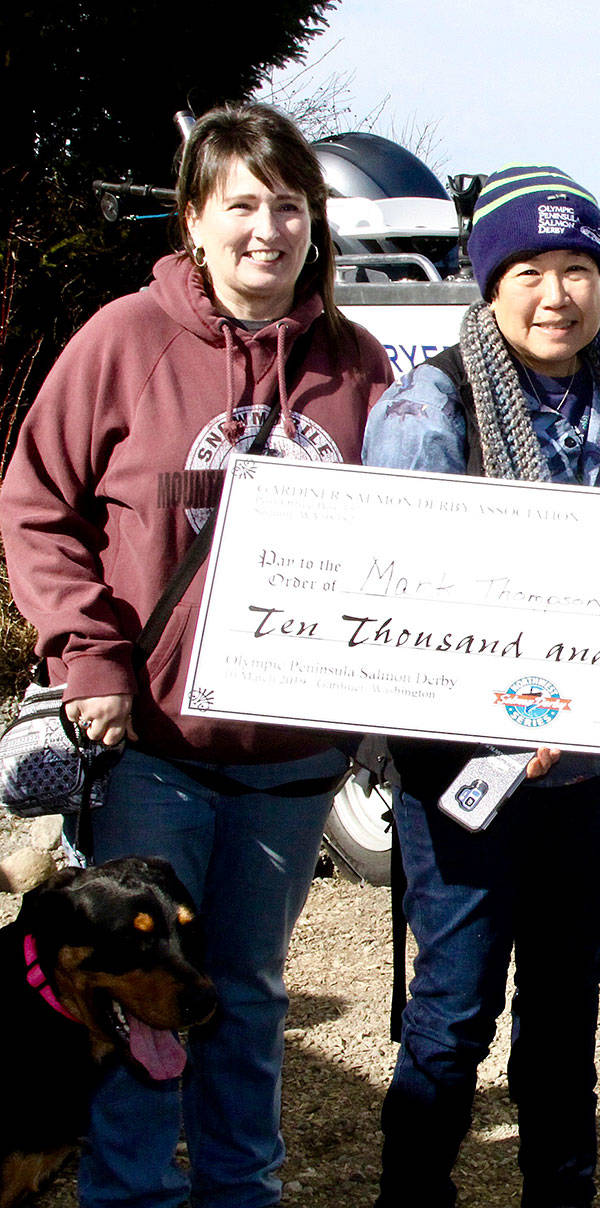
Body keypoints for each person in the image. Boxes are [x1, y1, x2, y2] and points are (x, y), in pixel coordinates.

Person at [0, 103, 393, 1208]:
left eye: (288, 205)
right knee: (127, 995)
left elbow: (409, 535)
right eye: (241, 206)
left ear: (315, 220)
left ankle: (240, 1189)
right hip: (151, 749)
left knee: (249, 991)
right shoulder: (124, 339)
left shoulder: (358, 366)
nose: (267, 228)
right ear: (193, 219)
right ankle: (129, 1192)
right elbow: (35, 504)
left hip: (291, 758)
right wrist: (89, 652)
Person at [361, 163, 600, 1208]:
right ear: (487, 280)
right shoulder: (429, 404)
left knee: (564, 1011)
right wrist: (493, 717)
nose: (557, 293)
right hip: (468, 774)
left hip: (587, 774)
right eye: (530, 269)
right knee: (451, 1012)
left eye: (579, 266)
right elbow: (397, 600)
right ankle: (414, 1193)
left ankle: (561, 1194)